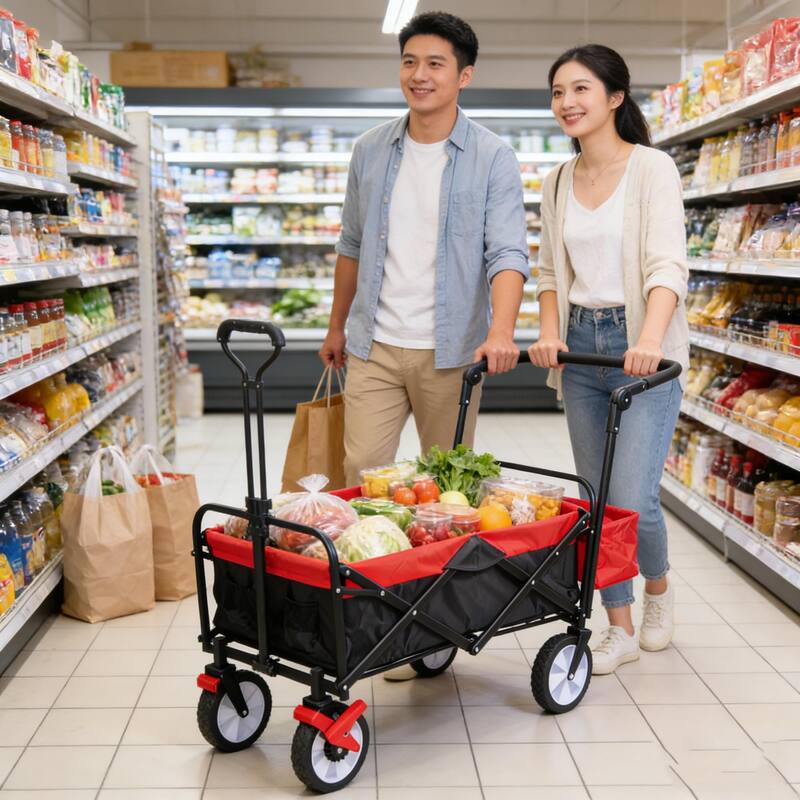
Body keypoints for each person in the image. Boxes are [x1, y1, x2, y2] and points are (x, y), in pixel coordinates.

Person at [529, 44, 689, 675]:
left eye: (580, 90)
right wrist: (548, 332)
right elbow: (549, 270)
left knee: (634, 499)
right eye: (557, 92)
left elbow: (666, 263)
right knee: (597, 500)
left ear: (615, 98)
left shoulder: (653, 169)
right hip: (581, 349)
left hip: (642, 347)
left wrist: (648, 337)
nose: (566, 103)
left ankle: (658, 589)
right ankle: (616, 625)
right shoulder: (558, 180)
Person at [320, 11, 529, 495]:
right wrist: (336, 325)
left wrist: (501, 333)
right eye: (409, 61)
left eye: (435, 64)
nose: (419, 75)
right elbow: (350, 245)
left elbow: (507, 254)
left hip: (452, 351)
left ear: (464, 76)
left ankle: (435, 573)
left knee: (449, 483)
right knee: (364, 475)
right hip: (375, 345)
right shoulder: (369, 150)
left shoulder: (492, 156)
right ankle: (373, 569)